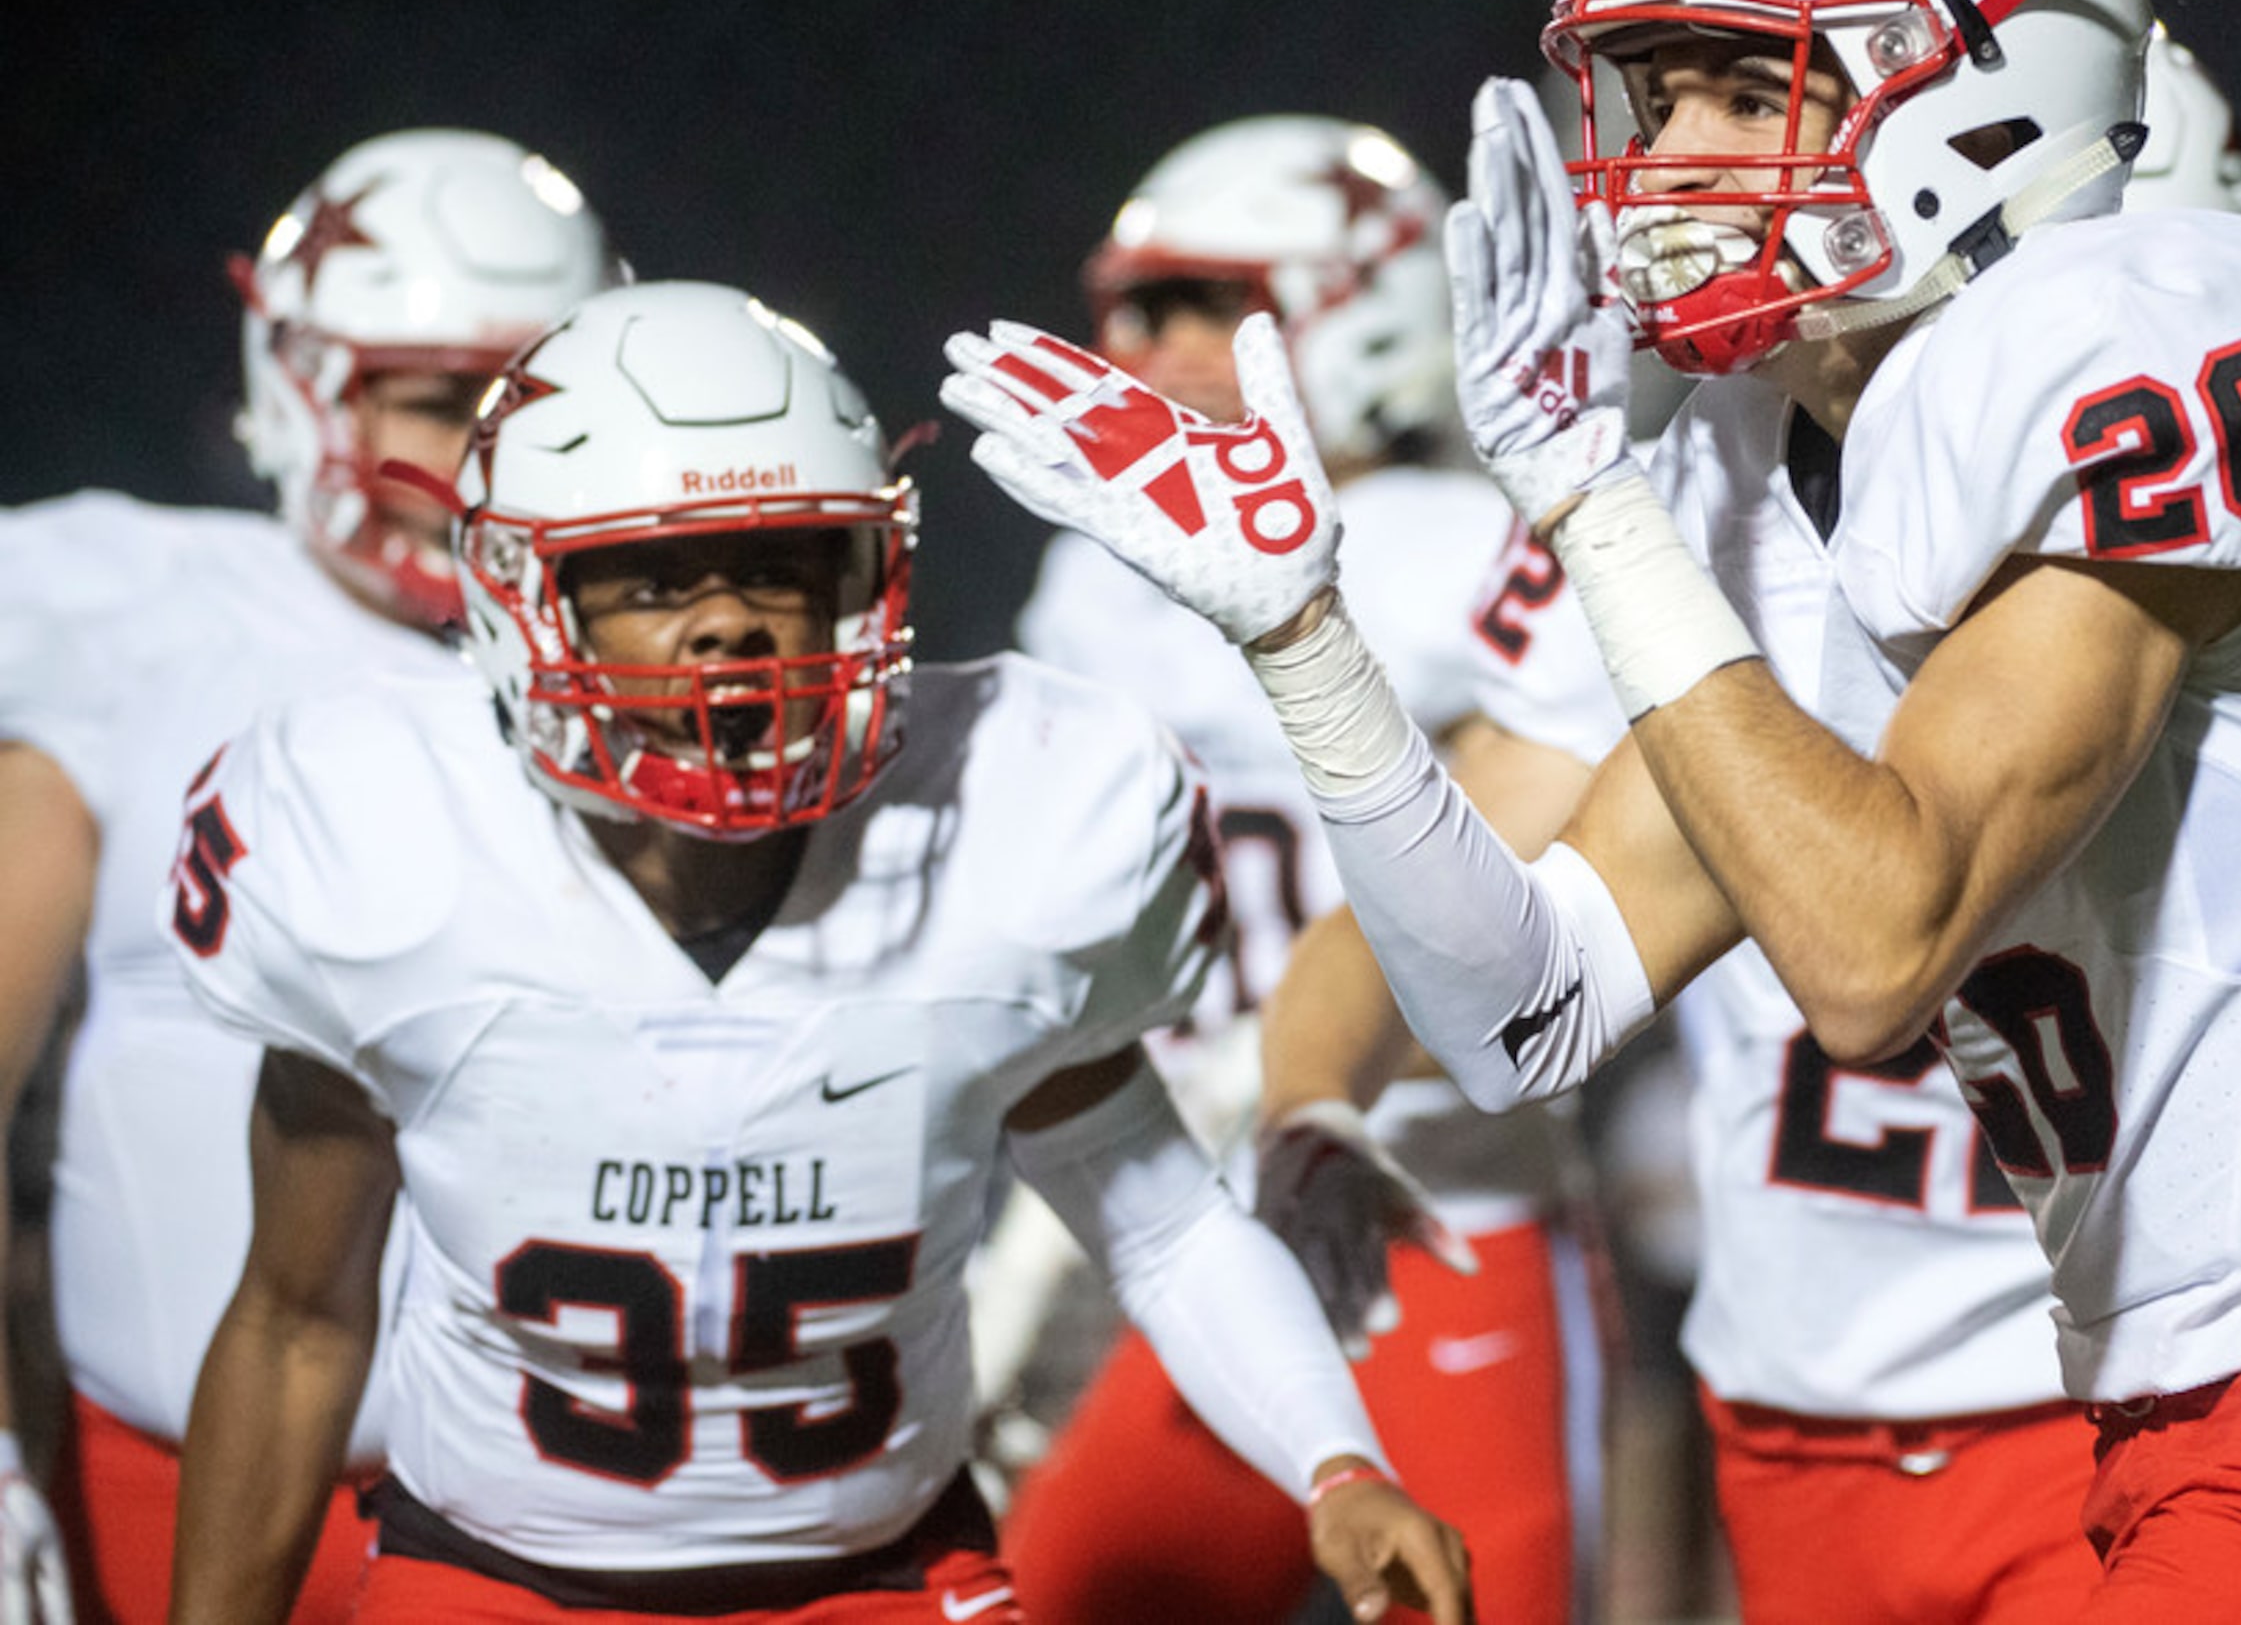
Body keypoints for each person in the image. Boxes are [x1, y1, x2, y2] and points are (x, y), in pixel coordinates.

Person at [941, 0, 2241, 1622]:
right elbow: (1528, 1007)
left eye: (1749, 92)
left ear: (1978, 85)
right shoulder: (1758, 447)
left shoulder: (2170, 311)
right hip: (2154, 1387)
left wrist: (1596, 504)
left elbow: (1872, 944)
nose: (1671, 155)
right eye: (1657, 98)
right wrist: (1306, 641)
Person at [163, 280, 1470, 1625]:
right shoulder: (382, 837)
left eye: (782, 563)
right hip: (488, 1582)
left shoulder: (1010, 826)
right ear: (517, 595)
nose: (730, 624)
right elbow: (296, 1317)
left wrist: (1337, 1465)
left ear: (869, 579)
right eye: (655, 574)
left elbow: (1168, 1225)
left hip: (883, 1583)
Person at [1251, 28, 2241, 1625]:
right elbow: (1496, 937)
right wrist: (1310, 1092)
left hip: (2136, 1376)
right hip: (1796, 1394)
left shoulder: (2213, 516)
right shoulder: (1712, 497)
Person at [989, 116, 1604, 1624]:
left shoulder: (1470, 542)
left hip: (1449, 1213)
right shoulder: (1100, 567)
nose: (1166, 349)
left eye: (1215, 305)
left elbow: (1539, 858)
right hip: (1208, 1216)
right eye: (1148, 309)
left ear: (1371, 305)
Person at [0, 128, 619, 1625]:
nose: (485, 447)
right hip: (176, 1482)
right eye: (436, 398)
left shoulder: (667, 639)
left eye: (525, 397)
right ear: (300, 384)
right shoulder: (137, 616)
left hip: (577, 1512)